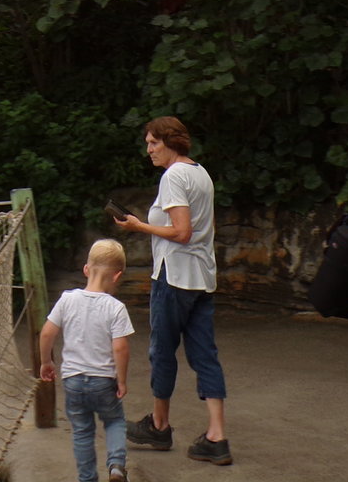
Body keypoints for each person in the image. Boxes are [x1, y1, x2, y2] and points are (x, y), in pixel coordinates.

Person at [114, 115, 231, 466]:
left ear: (171, 141)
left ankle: (159, 425)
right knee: (204, 354)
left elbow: (182, 232)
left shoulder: (175, 175)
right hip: (201, 279)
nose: (148, 149)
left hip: (174, 277)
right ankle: (217, 436)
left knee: (161, 351)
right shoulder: (200, 173)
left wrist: (138, 225)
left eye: (154, 143)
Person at [39, 239, 135, 482]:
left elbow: (48, 332)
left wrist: (46, 362)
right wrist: (121, 380)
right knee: (114, 421)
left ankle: (87, 478)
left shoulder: (67, 299)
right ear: (116, 276)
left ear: (85, 269)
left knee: (82, 432)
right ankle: (115, 466)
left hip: (73, 380)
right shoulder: (116, 308)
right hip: (103, 381)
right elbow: (121, 348)